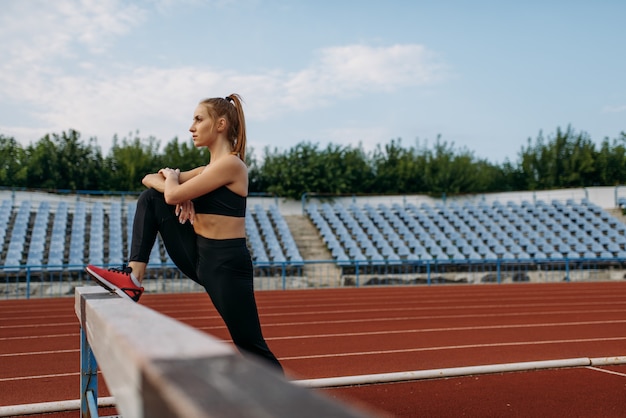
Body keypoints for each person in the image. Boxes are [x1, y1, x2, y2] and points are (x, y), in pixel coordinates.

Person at [86, 94, 282, 371]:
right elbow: (149, 179)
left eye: (198, 119)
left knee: (250, 345)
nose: (191, 127)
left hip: (226, 265)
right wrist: (177, 191)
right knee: (149, 199)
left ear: (221, 124)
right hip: (197, 253)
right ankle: (133, 278)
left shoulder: (232, 165)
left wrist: (176, 187)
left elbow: (171, 191)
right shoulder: (206, 170)